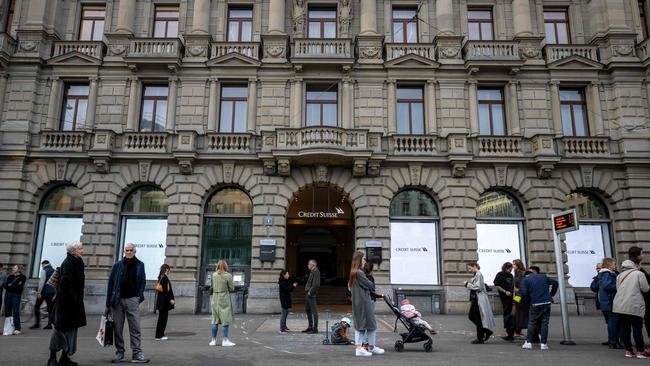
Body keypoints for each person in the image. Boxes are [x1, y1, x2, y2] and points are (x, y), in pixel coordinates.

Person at [106, 243, 148, 363]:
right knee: (118, 328)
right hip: (118, 301)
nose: (128, 252)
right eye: (126, 250)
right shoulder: (117, 265)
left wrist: (138, 296)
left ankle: (137, 353)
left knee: (135, 327)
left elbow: (142, 281)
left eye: (131, 250)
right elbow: (111, 283)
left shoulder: (140, 265)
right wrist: (108, 303)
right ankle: (120, 352)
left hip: (132, 300)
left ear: (135, 251)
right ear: (124, 251)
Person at [48, 242, 86, 366]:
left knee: (70, 331)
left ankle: (64, 358)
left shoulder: (78, 262)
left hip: (73, 303)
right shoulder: (68, 263)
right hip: (65, 305)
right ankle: (52, 358)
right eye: (80, 248)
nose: (82, 250)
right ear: (73, 251)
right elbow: (65, 287)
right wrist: (73, 301)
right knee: (59, 331)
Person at [349, 251, 384, 357]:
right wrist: (369, 279)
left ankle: (370, 347)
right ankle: (360, 348)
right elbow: (371, 285)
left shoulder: (354, 272)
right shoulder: (359, 273)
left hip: (361, 302)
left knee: (368, 325)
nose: (365, 261)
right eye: (363, 259)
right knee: (363, 325)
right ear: (359, 259)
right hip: (363, 302)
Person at [613, 259, 650, 358]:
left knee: (625, 329)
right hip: (634, 304)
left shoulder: (620, 275)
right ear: (634, 265)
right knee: (637, 329)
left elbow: (618, 288)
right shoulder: (639, 274)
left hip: (621, 305)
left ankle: (628, 351)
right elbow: (645, 288)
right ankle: (640, 351)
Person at [519, 265, 558, 350]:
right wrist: (551, 294)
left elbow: (523, 294)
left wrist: (521, 301)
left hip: (535, 303)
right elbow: (555, 283)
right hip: (547, 302)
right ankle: (543, 344)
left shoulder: (526, 280)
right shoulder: (543, 277)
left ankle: (528, 343)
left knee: (532, 323)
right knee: (545, 323)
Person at [590, 257, 621, 349]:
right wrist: (619, 285)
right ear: (610, 265)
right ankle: (613, 341)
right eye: (614, 264)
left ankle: (613, 341)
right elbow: (607, 286)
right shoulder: (607, 274)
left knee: (612, 322)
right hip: (610, 301)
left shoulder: (604, 274)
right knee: (613, 322)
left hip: (606, 301)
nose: (615, 266)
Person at [465, 261, 496, 344]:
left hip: (478, 299)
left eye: (470, 268)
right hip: (476, 299)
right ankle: (482, 335)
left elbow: (479, 287)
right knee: (476, 317)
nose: (469, 270)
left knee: (472, 316)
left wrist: (467, 284)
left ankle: (483, 334)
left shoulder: (479, 274)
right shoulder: (477, 275)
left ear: (475, 266)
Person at [210, 259, 235, 347]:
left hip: (214, 298)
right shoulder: (228, 275)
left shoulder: (213, 275)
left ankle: (213, 340)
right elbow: (232, 288)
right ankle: (225, 340)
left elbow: (211, 286)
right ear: (225, 266)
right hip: (224, 298)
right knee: (225, 320)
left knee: (214, 320)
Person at [628, 246, 650, 340]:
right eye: (641, 253)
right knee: (640, 324)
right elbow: (646, 287)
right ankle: (640, 348)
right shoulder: (637, 270)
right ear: (637, 256)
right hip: (642, 299)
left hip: (641, 299)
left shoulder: (635, 268)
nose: (643, 255)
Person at [30, 260, 56, 330]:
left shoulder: (44, 271)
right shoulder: (54, 270)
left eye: (42, 265)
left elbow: (41, 282)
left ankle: (37, 323)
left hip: (43, 292)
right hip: (51, 292)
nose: (42, 266)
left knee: (37, 307)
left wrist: (38, 292)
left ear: (44, 264)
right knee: (50, 309)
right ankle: (49, 324)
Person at [493, 262, 515, 341]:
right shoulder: (500, 275)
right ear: (505, 268)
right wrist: (505, 291)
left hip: (512, 298)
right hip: (505, 298)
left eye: (511, 269)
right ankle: (509, 333)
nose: (511, 270)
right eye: (509, 269)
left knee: (512, 315)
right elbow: (497, 285)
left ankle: (511, 334)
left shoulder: (511, 275)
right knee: (507, 315)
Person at [4, 264, 26, 335]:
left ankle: (17, 328)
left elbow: (19, 287)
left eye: (15, 267)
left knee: (15, 311)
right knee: (7, 311)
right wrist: (13, 286)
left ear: (19, 269)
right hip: (8, 295)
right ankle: (8, 328)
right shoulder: (10, 276)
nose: (13, 268)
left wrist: (11, 286)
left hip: (16, 295)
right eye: (13, 267)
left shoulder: (23, 277)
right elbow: (6, 286)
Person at [155, 264, 175, 341]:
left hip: (162, 301)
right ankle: (159, 335)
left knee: (162, 318)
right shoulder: (164, 278)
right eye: (169, 269)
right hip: (163, 302)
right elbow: (166, 292)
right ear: (166, 269)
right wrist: (170, 299)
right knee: (162, 319)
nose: (169, 271)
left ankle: (160, 334)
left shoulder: (161, 277)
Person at [302, 259, 320, 334]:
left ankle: (315, 329)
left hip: (311, 294)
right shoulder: (312, 272)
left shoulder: (316, 271)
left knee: (314, 311)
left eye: (309, 264)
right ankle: (310, 327)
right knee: (308, 310)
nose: (307, 265)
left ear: (313, 265)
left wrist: (310, 292)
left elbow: (316, 284)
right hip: (308, 294)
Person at [512, 259, 529, 338]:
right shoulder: (516, 273)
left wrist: (518, 289)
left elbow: (524, 284)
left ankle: (518, 331)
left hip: (521, 295)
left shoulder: (523, 273)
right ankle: (517, 330)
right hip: (517, 295)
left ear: (518, 265)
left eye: (514, 264)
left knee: (519, 311)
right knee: (517, 312)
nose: (513, 266)